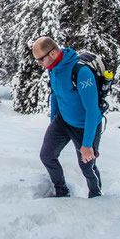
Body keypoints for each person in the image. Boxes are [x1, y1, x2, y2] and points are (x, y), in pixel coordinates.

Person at [32, 36, 103, 198]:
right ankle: (62, 191)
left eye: (40, 60)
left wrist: (87, 144)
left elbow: (92, 110)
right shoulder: (53, 68)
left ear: (53, 53)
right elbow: (56, 94)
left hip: (85, 125)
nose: (39, 64)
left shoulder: (81, 72)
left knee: (87, 165)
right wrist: (53, 123)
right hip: (63, 121)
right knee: (47, 156)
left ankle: (96, 196)